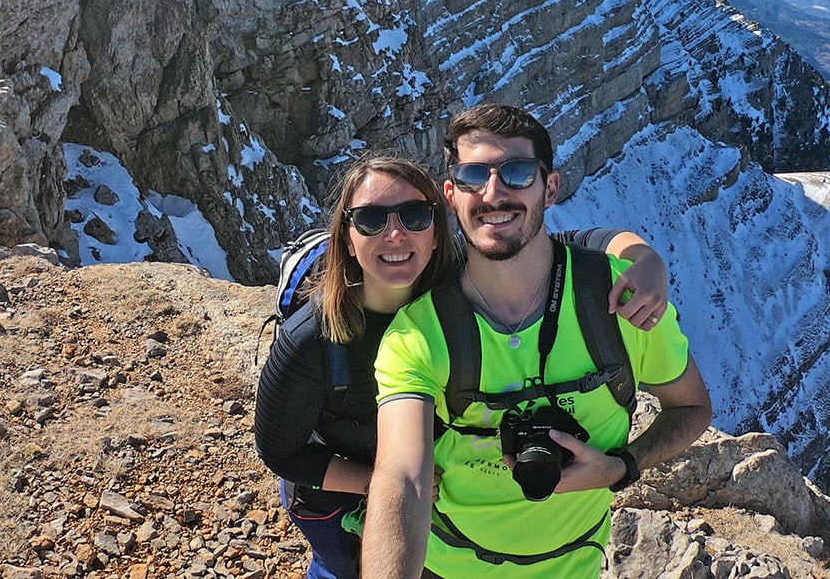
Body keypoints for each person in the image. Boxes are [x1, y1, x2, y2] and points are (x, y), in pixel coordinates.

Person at [255, 153, 674, 579]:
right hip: (335, 494)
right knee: (341, 568)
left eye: (416, 215)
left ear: (436, 232)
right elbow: (280, 451)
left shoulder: (458, 282)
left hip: (432, 495)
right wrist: (376, 486)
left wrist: (645, 261)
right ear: (346, 238)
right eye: (370, 220)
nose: (396, 233)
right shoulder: (312, 342)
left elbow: (567, 244)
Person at [363, 105, 714, 578]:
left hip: (574, 566)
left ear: (550, 188)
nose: (493, 193)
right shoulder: (420, 333)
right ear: (451, 195)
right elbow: (401, 478)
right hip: (448, 566)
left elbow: (691, 408)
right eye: (472, 176)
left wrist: (622, 466)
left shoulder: (618, 301)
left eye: (517, 172)